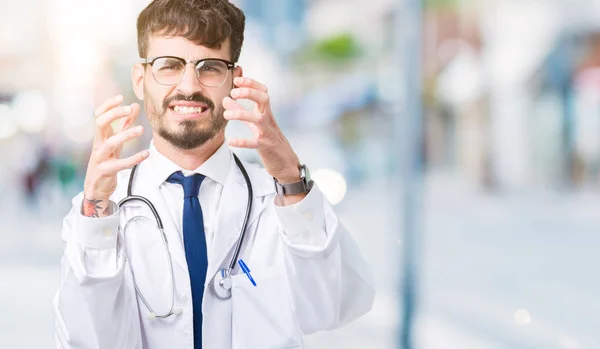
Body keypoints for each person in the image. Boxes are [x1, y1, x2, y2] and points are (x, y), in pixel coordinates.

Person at [53, 0, 375, 348]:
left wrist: (291, 179)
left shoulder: (281, 198)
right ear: (141, 79)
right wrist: (98, 213)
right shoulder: (99, 212)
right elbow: (84, 340)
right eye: (170, 66)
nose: (189, 86)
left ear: (235, 80)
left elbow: (333, 308)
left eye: (209, 67)